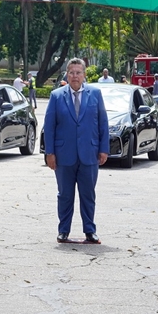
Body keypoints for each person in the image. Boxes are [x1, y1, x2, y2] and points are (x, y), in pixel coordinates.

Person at [44, 57, 109, 244]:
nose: (75, 76)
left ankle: (90, 230)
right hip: (64, 156)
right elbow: (50, 127)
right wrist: (50, 153)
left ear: (84, 75)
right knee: (65, 195)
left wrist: (103, 149)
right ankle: (63, 230)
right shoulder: (56, 96)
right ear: (66, 74)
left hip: (89, 154)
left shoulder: (95, 94)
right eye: (71, 72)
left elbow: (103, 123)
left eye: (78, 72)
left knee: (88, 194)